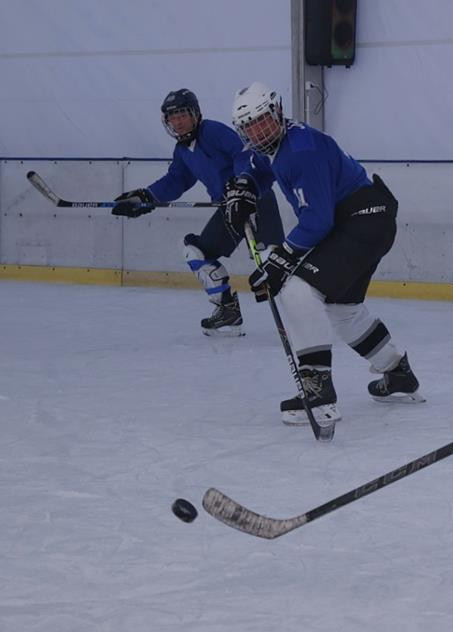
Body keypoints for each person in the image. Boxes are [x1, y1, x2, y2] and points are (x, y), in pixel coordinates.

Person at [225, 82, 422, 427]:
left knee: (297, 290)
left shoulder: (302, 150)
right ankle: (398, 373)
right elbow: (259, 166)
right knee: (343, 310)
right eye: (250, 126)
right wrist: (245, 186)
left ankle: (318, 393)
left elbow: (317, 220)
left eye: (263, 120)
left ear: (278, 112)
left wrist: (280, 261)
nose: (258, 130)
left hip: (359, 222)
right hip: (367, 221)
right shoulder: (282, 143)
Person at [111, 89, 284, 336]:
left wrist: (241, 183)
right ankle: (228, 311)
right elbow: (176, 180)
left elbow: (243, 153)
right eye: (173, 117)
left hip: (255, 199)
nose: (178, 121)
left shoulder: (213, 131)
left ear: (195, 114)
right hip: (228, 209)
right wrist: (144, 197)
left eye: (182, 114)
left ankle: (304, 320)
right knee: (197, 252)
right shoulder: (183, 151)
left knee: (273, 263)